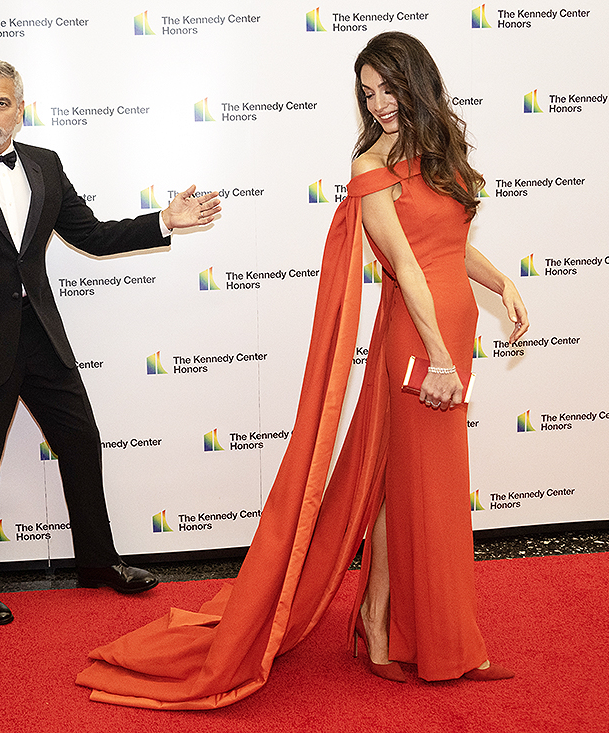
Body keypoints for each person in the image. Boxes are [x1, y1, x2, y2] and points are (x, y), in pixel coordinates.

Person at [75, 32, 527, 707]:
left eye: (386, 87)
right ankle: (425, 638)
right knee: (422, 488)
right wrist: (435, 355)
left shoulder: (437, 156)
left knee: (404, 483)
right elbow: (405, 265)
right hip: (420, 341)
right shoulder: (373, 168)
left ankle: (383, 623)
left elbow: (448, 245)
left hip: (453, 329)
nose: (377, 103)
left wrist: (502, 284)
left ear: (417, 82)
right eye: (366, 92)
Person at [0, 60, 221, 626]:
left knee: (81, 441)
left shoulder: (46, 166)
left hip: (41, 334)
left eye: (1, 104)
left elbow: (93, 237)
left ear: (19, 112)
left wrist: (164, 221)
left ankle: (98, 562)